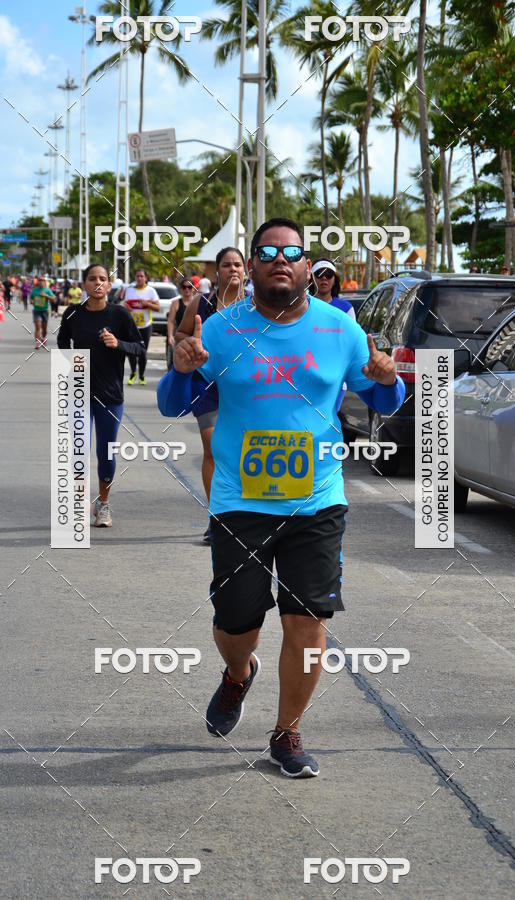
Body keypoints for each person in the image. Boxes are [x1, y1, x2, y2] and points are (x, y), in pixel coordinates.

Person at [158, 217, 405, 778]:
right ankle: (238, 673)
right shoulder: (221, 330)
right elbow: (174, 404)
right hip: (239, 501)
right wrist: (179, 370)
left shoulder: (340, 330)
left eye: (290, 252)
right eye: (265, 251)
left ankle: (286, 731)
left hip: (317, 500)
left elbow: (385, 398)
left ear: (304, 264)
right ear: (251, 263)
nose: (278, 260)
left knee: (308, 622)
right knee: (237, 620)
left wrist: (389, 379)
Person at [57, 263, 145, 528]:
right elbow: (62, 341)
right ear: (84, 284)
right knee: (77, 450)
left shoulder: (119, 315)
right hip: (78, 393)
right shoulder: (73, 313)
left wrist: (119, 344)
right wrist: (71, 361)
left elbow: (140, 348)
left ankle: (103, 504)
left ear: (109, 285)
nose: (97, 282)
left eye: (103, 279)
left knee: (106, 454)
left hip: (110, 396)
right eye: (92, 278)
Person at [176, 247, 246, 543]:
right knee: (212, 447)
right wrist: (192, 342)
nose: (233, 270)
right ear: (216, 271)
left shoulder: (256, 306)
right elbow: (180, 333)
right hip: (207, 384)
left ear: (246, 271)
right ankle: (216, 516)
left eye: (238, 265)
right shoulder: (202, 303)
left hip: (245, 386)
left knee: (243, 450)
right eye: (227, 265)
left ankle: (244, 514)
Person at [119, 269, 160, 385]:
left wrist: (147, 304)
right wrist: (127, 306)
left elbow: (157, 307)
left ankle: (141, 375)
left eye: (142, 276)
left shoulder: (151, 291)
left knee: (142, 352)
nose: (140, 278)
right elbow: (125, 304)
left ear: (146, 278)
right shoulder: (129, 290)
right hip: (132, 326)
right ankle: (133, 373)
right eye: (137, 276)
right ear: (135, 277)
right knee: (131, 351)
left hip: (146, 326)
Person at [166, 277, 195, 370]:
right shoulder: (175, 303)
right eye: (184, 287)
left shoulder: (197, 302)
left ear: (193, 289)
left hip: (193, 337)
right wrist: (170, 335)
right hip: (179, 336)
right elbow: (170, 321)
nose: (187, 289)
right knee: (174, 362)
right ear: (180, 289)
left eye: (189, 287)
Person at [30, 276, 54, 350]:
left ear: (45, 282)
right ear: (38, 282)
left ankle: (43, 338)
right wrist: (31, 301)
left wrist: (46, 296)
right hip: (36, 311)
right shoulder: (34, 290)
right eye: (40, 280)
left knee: (44, 329)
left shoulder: (47, 290)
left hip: (45, 311)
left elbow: (53, 299)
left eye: (42, 280)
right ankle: (37, 343)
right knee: (38, 326)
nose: (41, 282)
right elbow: (31, 298)